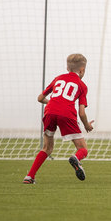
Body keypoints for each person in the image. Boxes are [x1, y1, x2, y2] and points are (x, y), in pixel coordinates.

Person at [23, 53, 93, 184]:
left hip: (49, 111)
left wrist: (53, 103)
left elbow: (40, 98)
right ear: (82, 70)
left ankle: (29, 177)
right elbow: (82, 112)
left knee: (47, 148)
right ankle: (75, 158)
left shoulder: (58, 79)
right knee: (82, 148)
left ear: (67, 68)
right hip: (66, 113)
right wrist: (87, 125)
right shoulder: (82, 85)